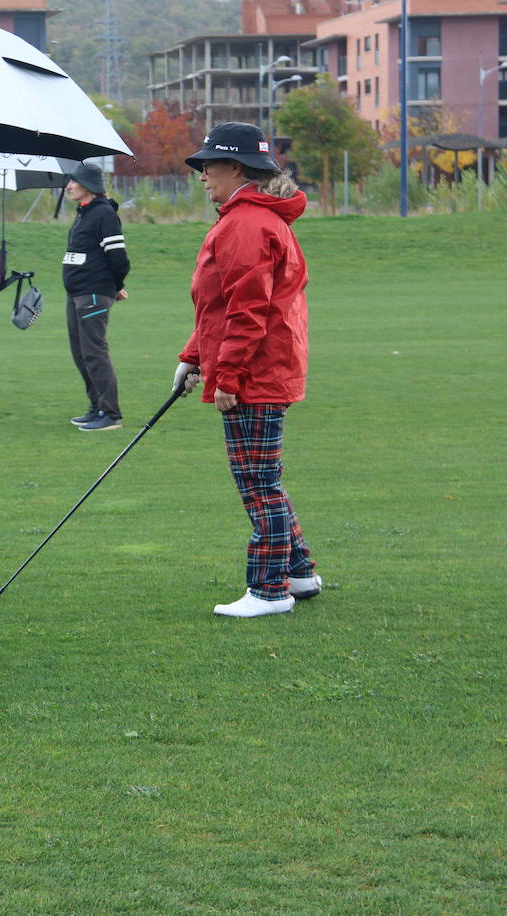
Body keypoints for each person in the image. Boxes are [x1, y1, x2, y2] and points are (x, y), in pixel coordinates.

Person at [174, 122, 322, 619]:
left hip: (255, 375)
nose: (201, 175)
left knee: (258, 484)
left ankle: (268, 591)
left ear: (236, 168)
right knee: (267, 477)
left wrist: (226, 379)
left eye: (208, 165)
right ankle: (299, 573)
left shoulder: (246, 224)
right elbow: (218, 306)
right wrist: (193, 358)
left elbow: (247, 312)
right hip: (263, 369)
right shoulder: (251, 219)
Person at [62, 160, 130, 432]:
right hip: (76, 293)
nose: (68, 186)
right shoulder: (84, 212)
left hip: (92, 294)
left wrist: (114, 286)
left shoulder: (103, 214)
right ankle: (96, 406)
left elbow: (119, 259)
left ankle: (110, 414)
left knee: (94, 353)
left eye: (73, 181)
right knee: (81, 353)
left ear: (88, 185)